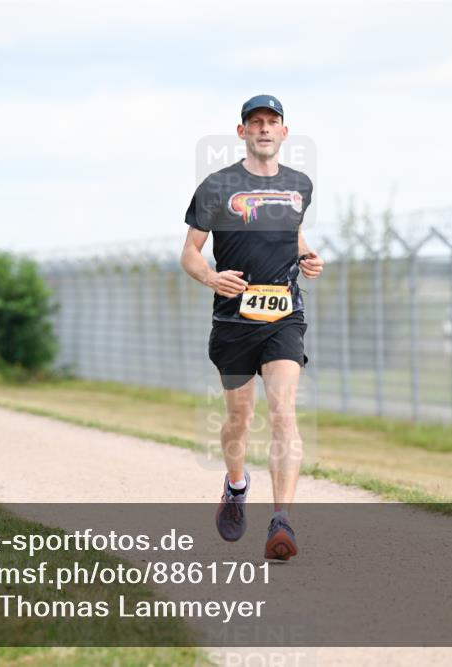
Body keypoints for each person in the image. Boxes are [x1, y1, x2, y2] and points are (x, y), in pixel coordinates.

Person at [181, 95, 324, 560]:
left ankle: (282, 520)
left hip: (284, 313)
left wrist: (307, 256)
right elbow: (190, 254)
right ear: (242, 132)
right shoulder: (217, 186)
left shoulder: (299, 184)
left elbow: (290, 232)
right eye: (255, 122)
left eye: (272, 122)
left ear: (284, 132)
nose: (264, 128)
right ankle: (237, 485)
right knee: (239, 420)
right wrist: (210, 276)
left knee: (283, 410)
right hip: (234, 319)